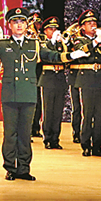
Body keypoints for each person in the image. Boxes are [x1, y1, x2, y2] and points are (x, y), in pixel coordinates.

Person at [0, 7, 70, 181]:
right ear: (9, 25)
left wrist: (72, 54)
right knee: (10, 133)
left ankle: (24, 168)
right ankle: (10, 167)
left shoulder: (34, 44)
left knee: (25, 133)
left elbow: (53, 56)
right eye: (15, 22)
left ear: (27, 25)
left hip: (28, 94)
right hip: (10, 94)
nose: (19, 25)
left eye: (22, 22)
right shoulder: (3, 44)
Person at [66, 10, 101, 157]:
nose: (93, 25)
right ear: (82, 27)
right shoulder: (79, 40)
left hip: (100, 78)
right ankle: (85, 144)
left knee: (99, 115)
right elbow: (82, 52)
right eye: (89, 23)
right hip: (86, 79)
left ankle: (97, 145)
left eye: (94, 22)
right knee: (88, 114)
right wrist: (97, 41)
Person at [37, 17, 68, 149]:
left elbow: (67, 57)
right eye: (51, 29)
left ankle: (56, 138)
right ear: (45, 31)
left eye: (55, 29)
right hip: (48, 78)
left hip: (59, 78)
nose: (54, 31)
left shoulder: (61, 44)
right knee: (48, 110)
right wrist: (53, 42)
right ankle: (48, 138)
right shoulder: (42, 43)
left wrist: (63, 43)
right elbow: (45, 55)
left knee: (58, 111)